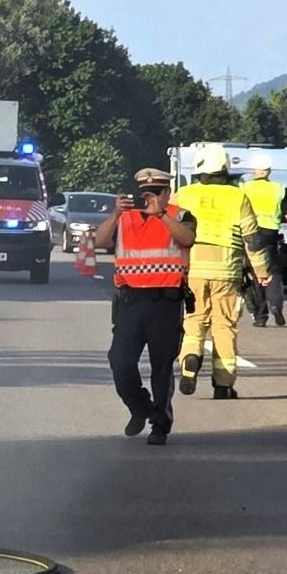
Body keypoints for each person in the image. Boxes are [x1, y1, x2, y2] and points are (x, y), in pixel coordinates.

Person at [92, 168, 195, 445]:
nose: (149, 198)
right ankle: (139, 406)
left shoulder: (180, 215)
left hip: (165, 303)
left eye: (156, 193)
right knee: (120, 361)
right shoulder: (125, 217)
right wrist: (115, 213)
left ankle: (160, 425)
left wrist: (161, 215)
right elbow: (99, 241)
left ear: (167, 193)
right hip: (131, 303)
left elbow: (187, 239)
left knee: (162, 367)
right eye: (145, 194)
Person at [170, 144, 276, 398]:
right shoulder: (238, 197)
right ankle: (223, 385)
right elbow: (252, 240)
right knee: (224, 326)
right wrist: (262, 271)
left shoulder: (183, 195)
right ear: (225, 168)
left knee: (193, 320)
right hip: (226, 270)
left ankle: (190, 357)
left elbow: (169, 231)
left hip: (193, 267)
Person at [241, 161, 287, 327]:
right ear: (269, 171)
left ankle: (260, 316)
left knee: (254, 273)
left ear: (254, 170)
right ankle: (275, 304)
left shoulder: (245, 188)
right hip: (270, 234)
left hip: (250, 233)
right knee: (272, 270)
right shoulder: (278, 188)